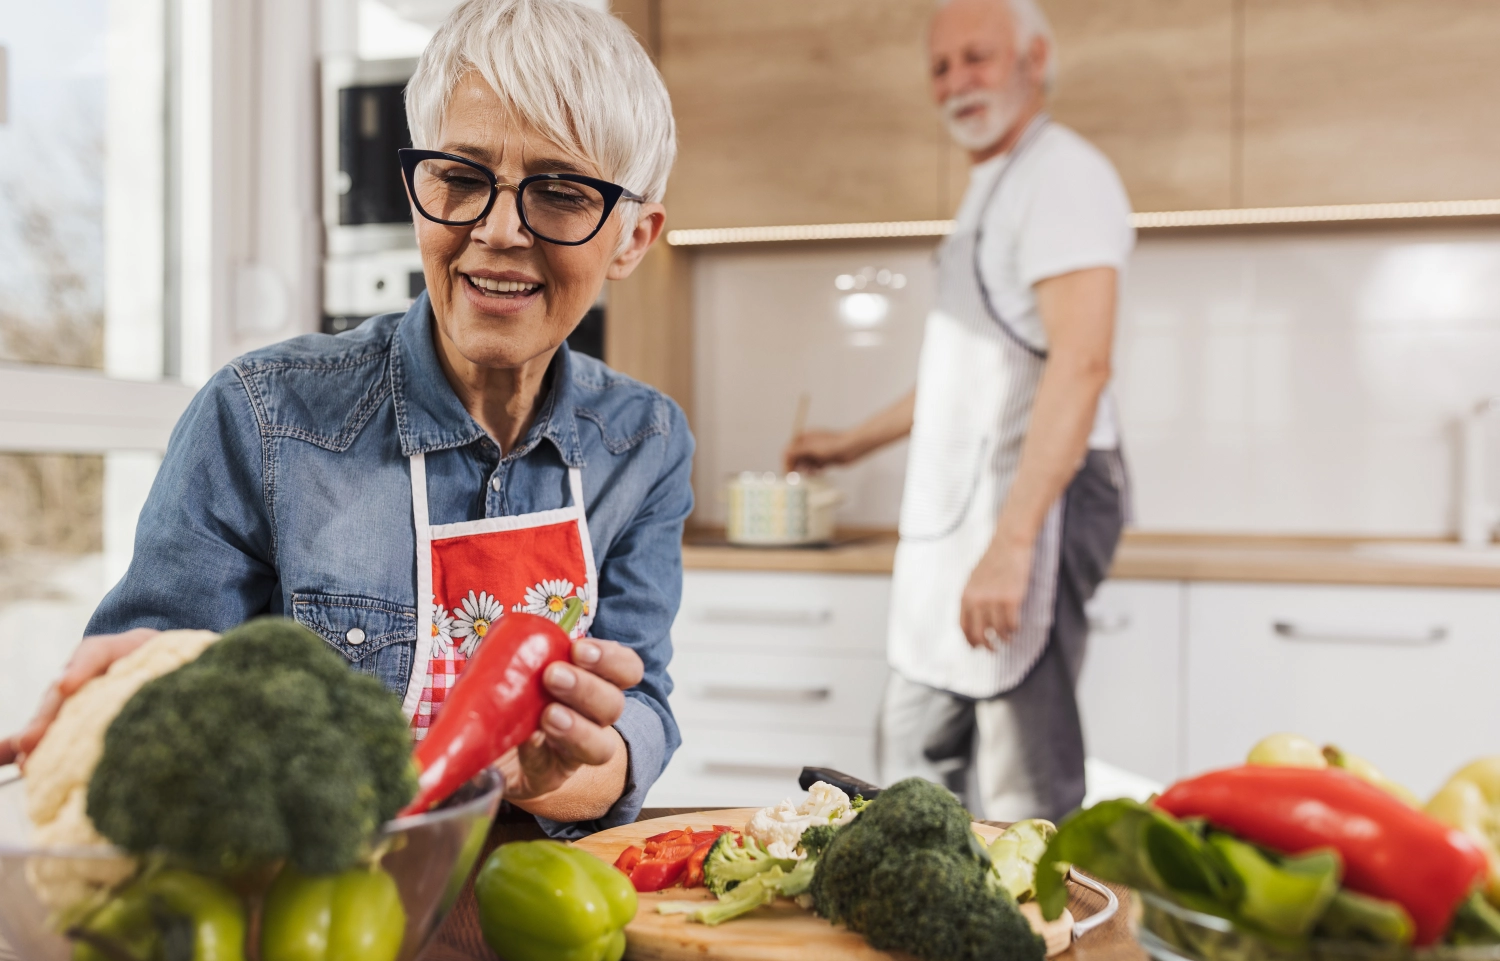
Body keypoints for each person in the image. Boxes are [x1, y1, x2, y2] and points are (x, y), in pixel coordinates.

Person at [0, 0, 689, 837]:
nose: (498, 231)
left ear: (632, 237)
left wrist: (541, 775)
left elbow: (635, 714)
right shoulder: (260, 416)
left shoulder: (644, 443)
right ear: (414, 190)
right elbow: (153, 711)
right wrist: (131, 700)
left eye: (562, 192)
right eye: (461, 178)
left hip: (529, 903)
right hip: (300, 897)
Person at [785, 0, 1131, 822]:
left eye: (977, 58)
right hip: (963, 514)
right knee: (913, 759)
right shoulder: (993, 187)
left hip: (1031, 506)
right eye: (941, 66)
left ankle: (1042, 944)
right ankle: (924, 938)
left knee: (1021, 783)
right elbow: (968, 370)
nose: (955, 82)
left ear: (1034, 59)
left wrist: (1011, 548)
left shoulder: (1064, 177)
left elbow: (1081, 367)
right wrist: (849, 444)